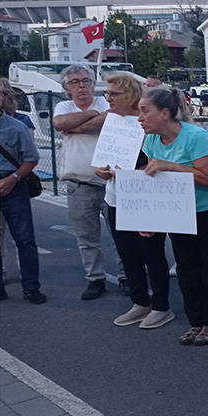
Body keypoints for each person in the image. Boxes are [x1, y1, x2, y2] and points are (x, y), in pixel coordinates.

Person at [139, 88, 208, 346]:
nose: (139, 117)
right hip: (178, 212)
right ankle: (196, 321)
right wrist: (150, 219)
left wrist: (172, 166)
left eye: (145, 111)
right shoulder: (151, 141)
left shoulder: (197, 137)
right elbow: (156, 182)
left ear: (165, 113)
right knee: (187, 268)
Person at [93, 72, 174, 329]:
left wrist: (133, 171)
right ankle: (140, 302)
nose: (108, 99)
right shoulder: (112, 122)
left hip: (144, 198)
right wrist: (101, 170)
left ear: (129, 95)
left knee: (152, 253)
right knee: (127, 253)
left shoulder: (147, 126)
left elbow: (158, 164)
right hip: (115, 197)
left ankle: (161, 306)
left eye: (113, 94)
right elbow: (102, 161)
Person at [52, 64, 121, 300]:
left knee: (120, 234)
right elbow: (59, 124)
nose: (81, 86)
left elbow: (109, 119)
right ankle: (95, 278)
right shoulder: (63, 106)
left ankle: (126, 276)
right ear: (66, 88)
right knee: (86, 237)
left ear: (93, 83)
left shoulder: (105, 103)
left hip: (111, 182)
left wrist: (77, 126)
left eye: (85, 80)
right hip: (78, 184)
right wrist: (90, 117)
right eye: (75, 82)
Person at [0, 83, 44, 304]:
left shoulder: (16, 127)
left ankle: (31, 288)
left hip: (14, 186)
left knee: (24, 239)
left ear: (2, 98)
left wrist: (13, 178)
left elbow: (32, 159)